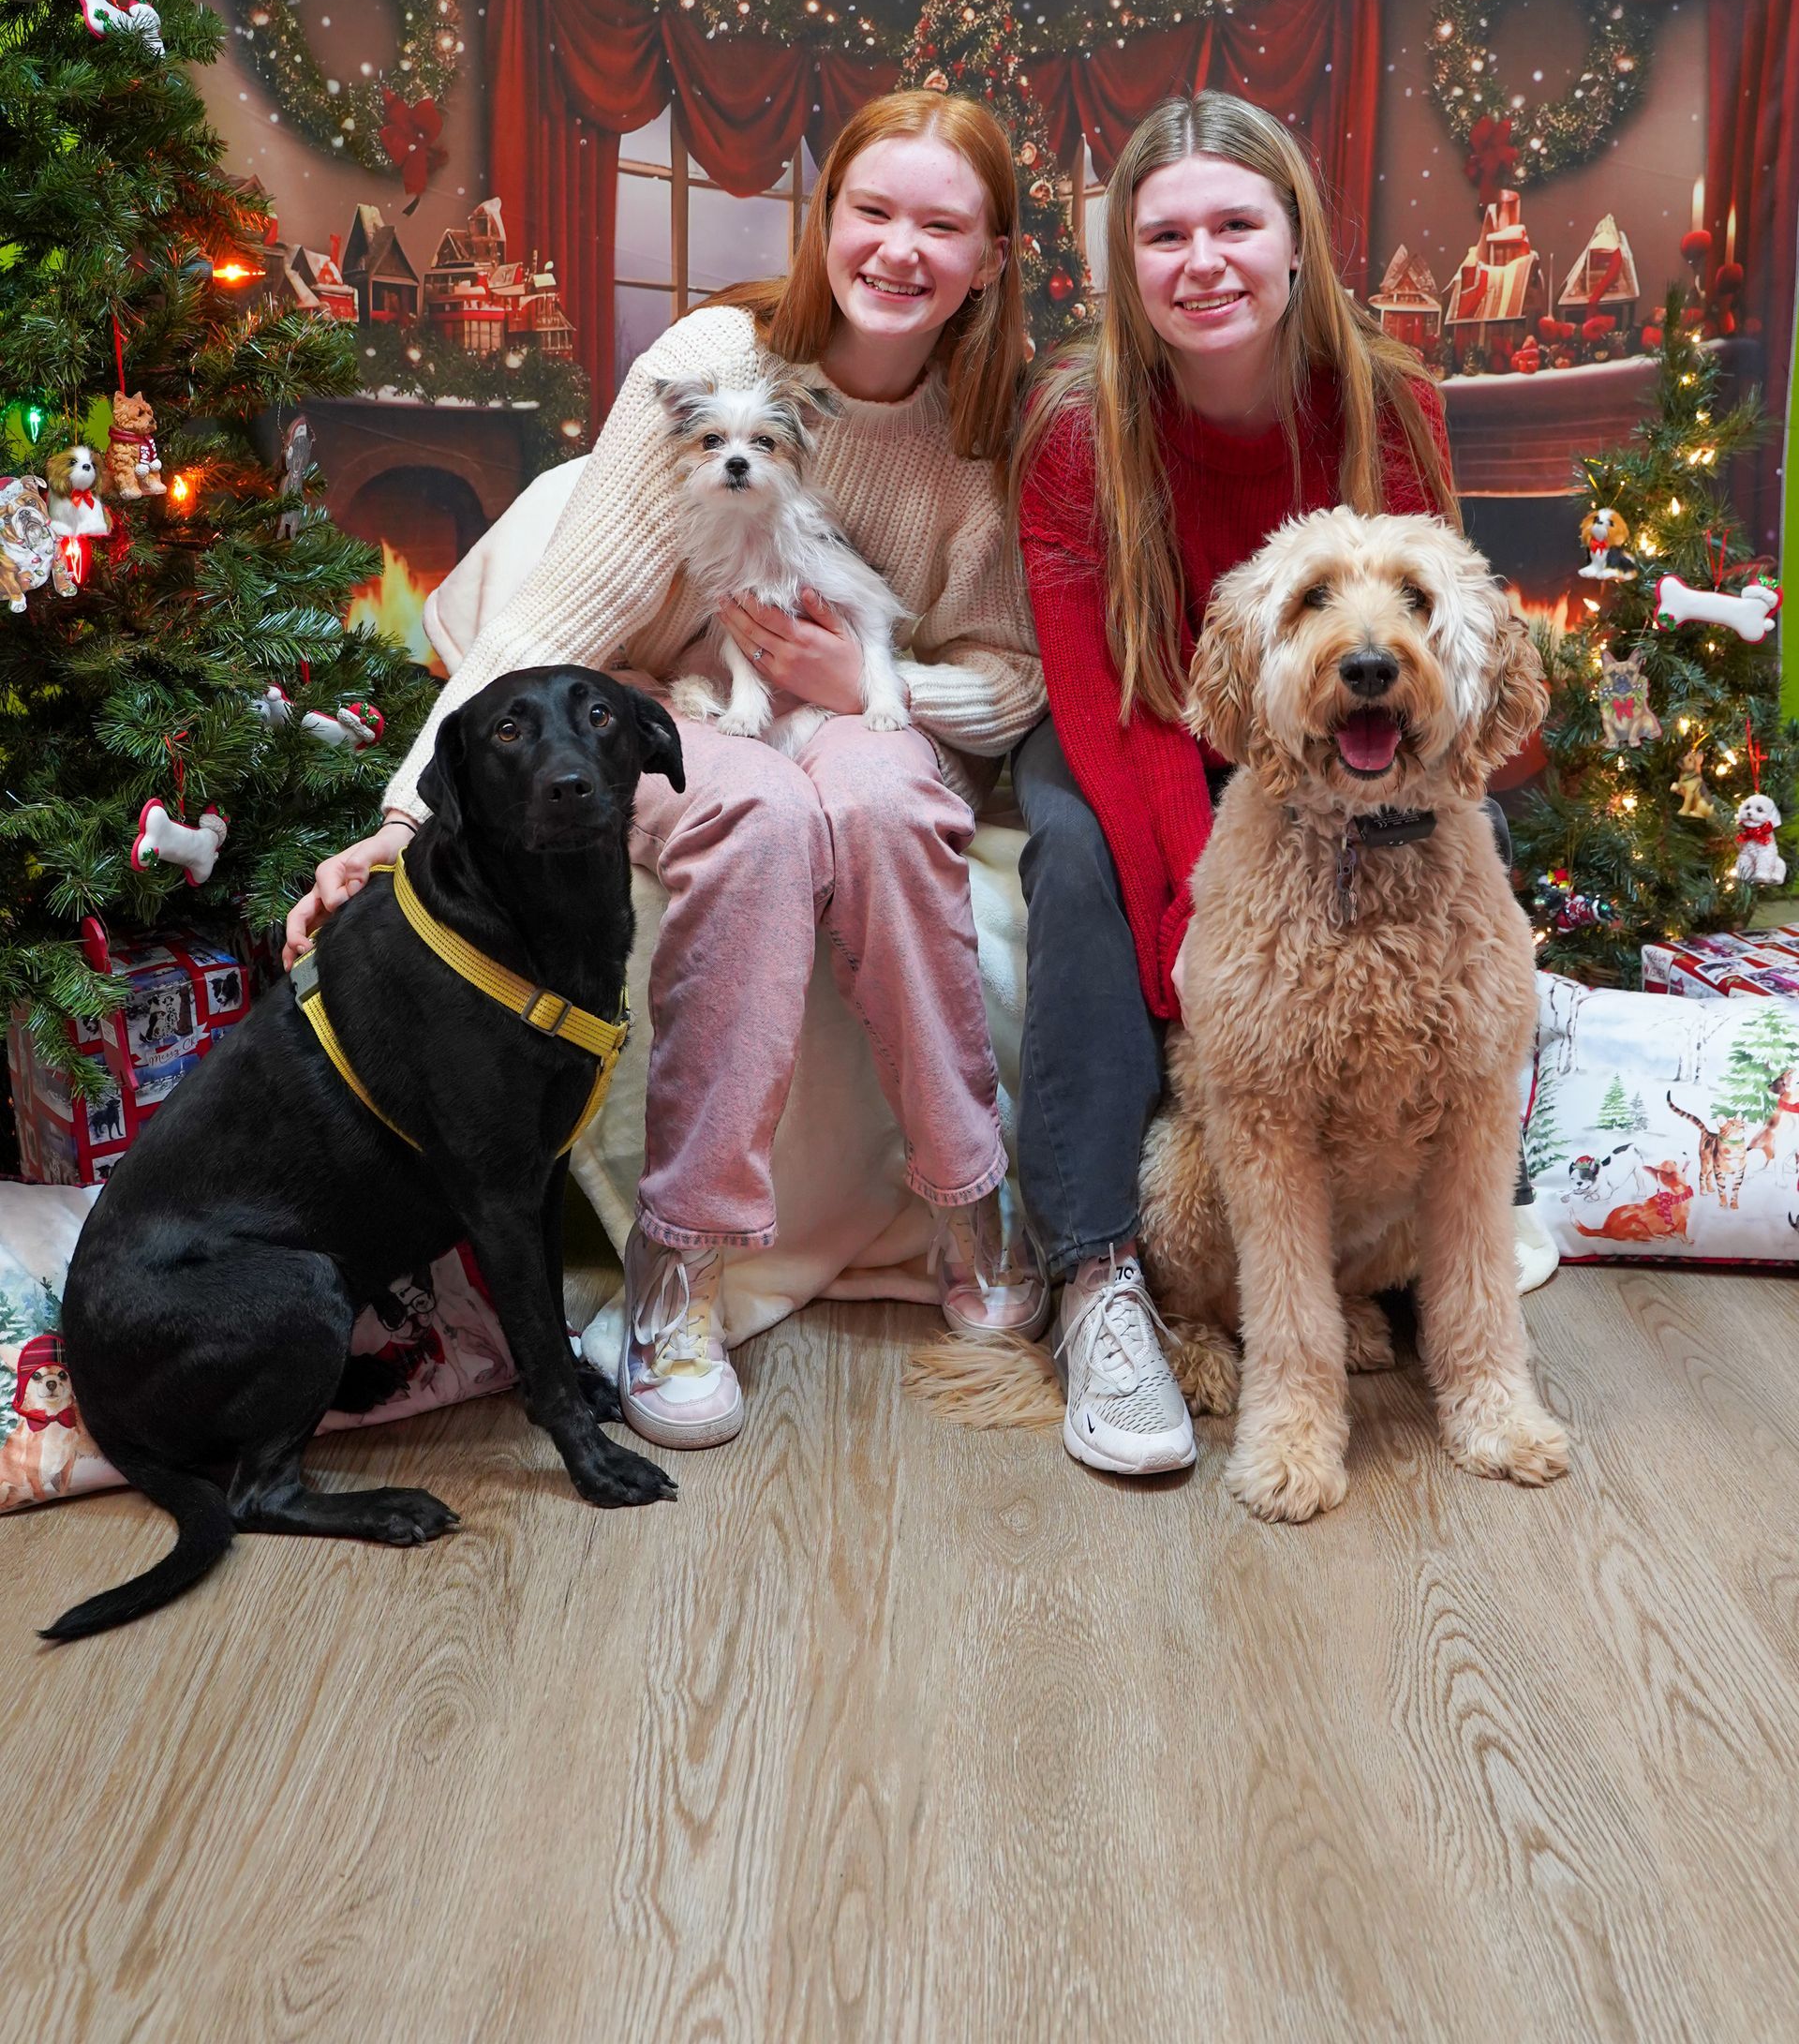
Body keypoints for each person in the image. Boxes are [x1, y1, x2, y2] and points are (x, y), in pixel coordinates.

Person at [285, 91, 1048, 1452]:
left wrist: (862, 690)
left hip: (864, 711)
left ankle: (971, 1192)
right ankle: (679, 1263)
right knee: (750, 818)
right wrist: (404, 820)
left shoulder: (987, 439)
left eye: (943, 224)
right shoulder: (711, 359)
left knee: (874, 803)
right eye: (872, 211)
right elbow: (556, 623)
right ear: (826, 223)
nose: (898, 249)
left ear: (989, 257)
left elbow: (1005, 672)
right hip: (658, 708)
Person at [1009, 90, 1555, 1482]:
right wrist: (1217, 949)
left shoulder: (1393, 400)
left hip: (1350, 735)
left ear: (1296, 240)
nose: (1205, 260)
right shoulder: (1080, 426)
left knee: (1461, 827)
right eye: (1166, 233)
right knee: (1078, 858)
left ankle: (1448, 1277)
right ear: (1124, 264)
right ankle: (1100, 1273)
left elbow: (1443, 648)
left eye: (1237, 224)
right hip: (1149, 716)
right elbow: (1114, 706)